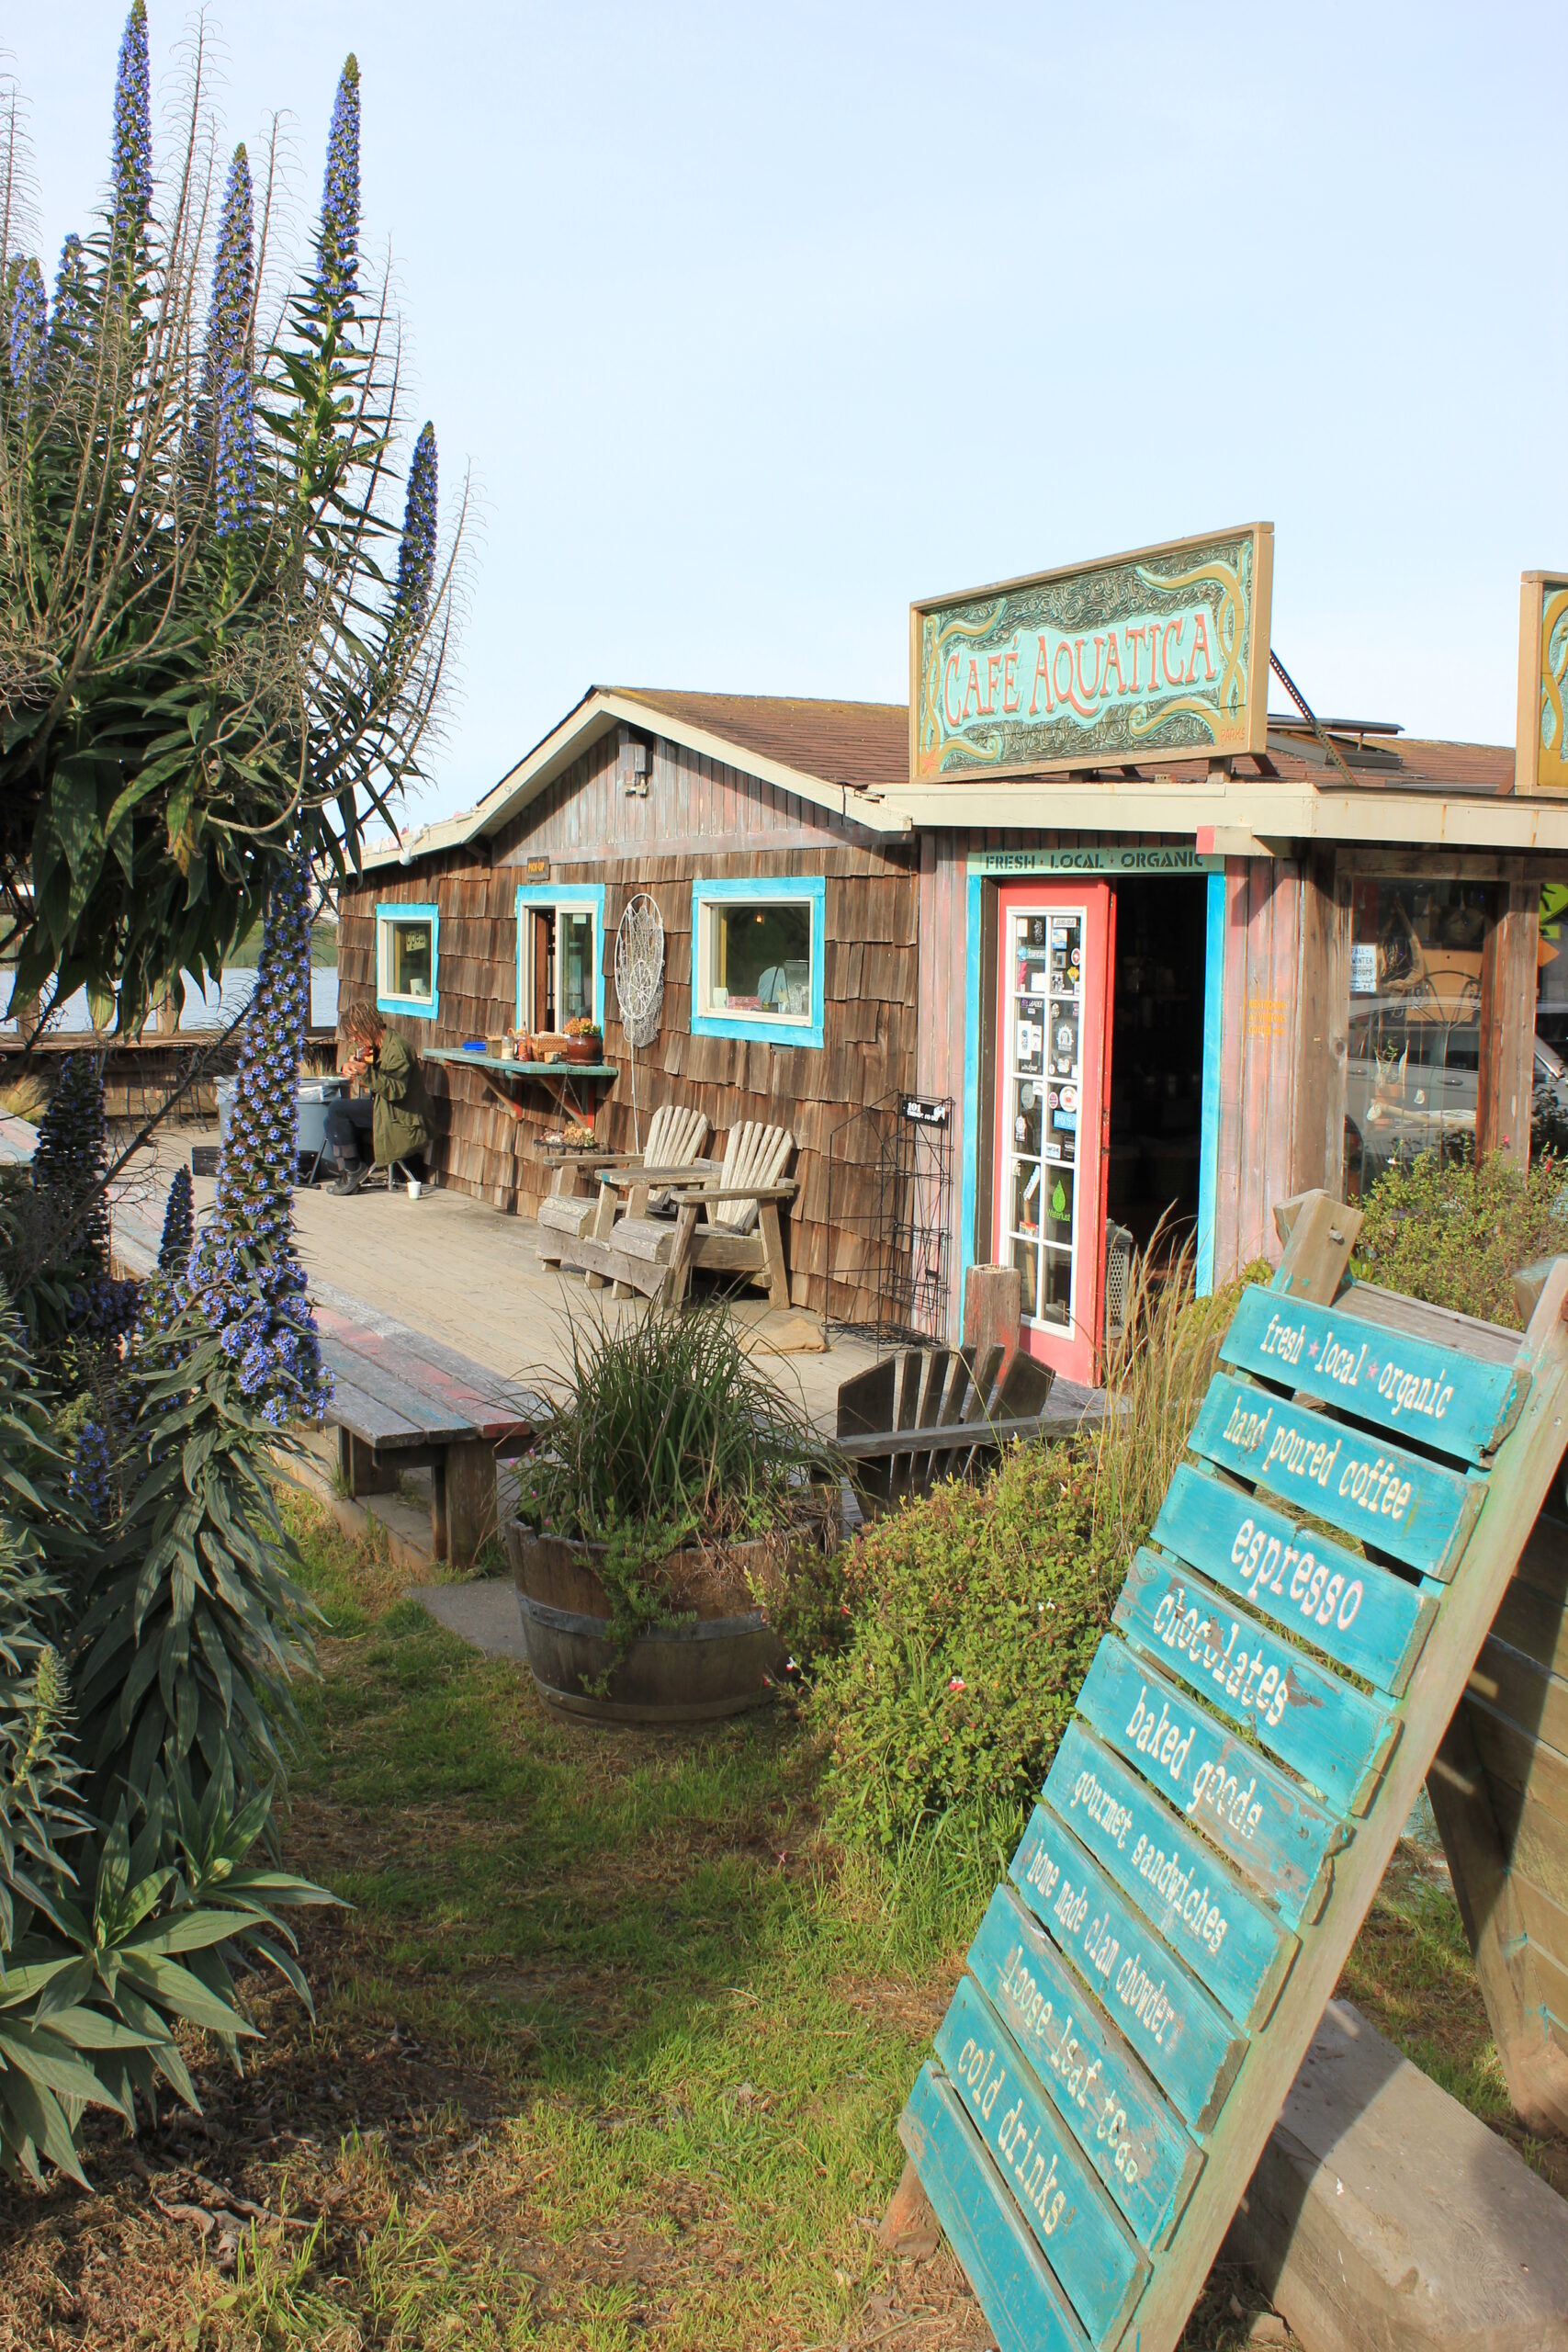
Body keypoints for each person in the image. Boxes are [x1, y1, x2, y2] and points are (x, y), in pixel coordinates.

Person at [324, 1006, 434, 1194]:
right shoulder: (373, 1044)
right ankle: (350, 1171)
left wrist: (365, 1072)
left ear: (368, 1025)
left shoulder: (397, 1048)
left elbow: (396, 1090)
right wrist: (348, 1064)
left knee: (337, 1109)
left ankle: (353, 1170)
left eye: (355, 1034)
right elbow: (353, 1056)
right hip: (383, 1108)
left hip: (401, 1115)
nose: (353, 1039)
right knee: (333, 1119)